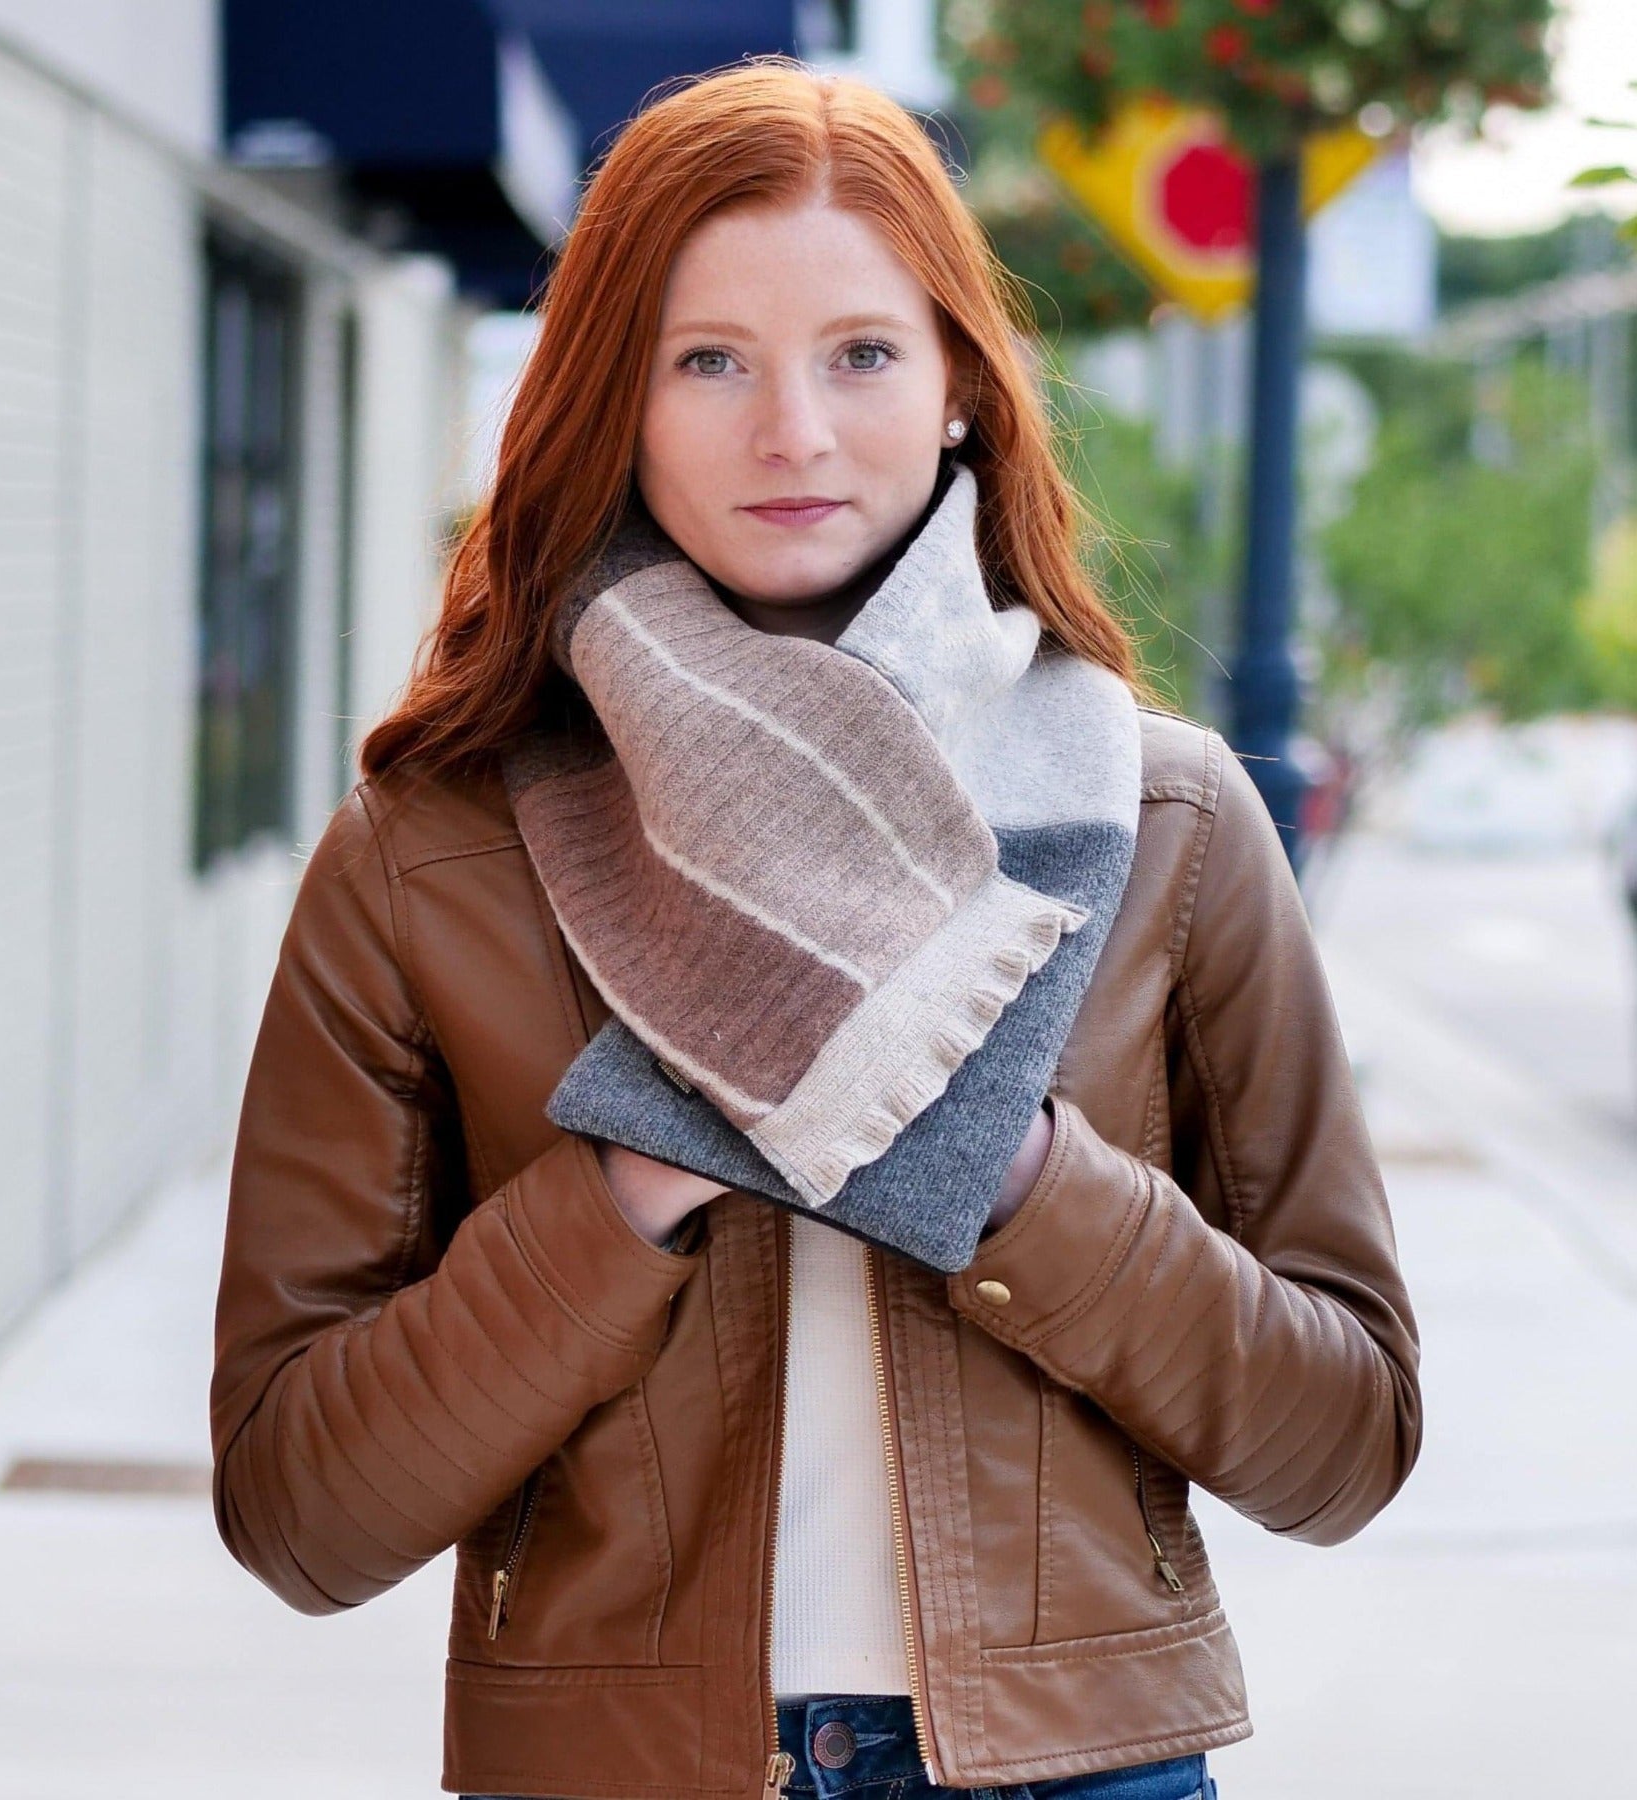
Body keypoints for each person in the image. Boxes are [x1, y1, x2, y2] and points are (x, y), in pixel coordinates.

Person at [209, 59, 1422, 1800]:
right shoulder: (425, 862)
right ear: (610, 402)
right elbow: (299, 1510)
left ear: (954, 390)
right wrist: (639, 1172)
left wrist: (1009, 1168)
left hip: (1078, 1769)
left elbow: (1346, 1441)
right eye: (707, 360)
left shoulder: (1163, 826)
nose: (793, 430)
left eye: (861, 353)